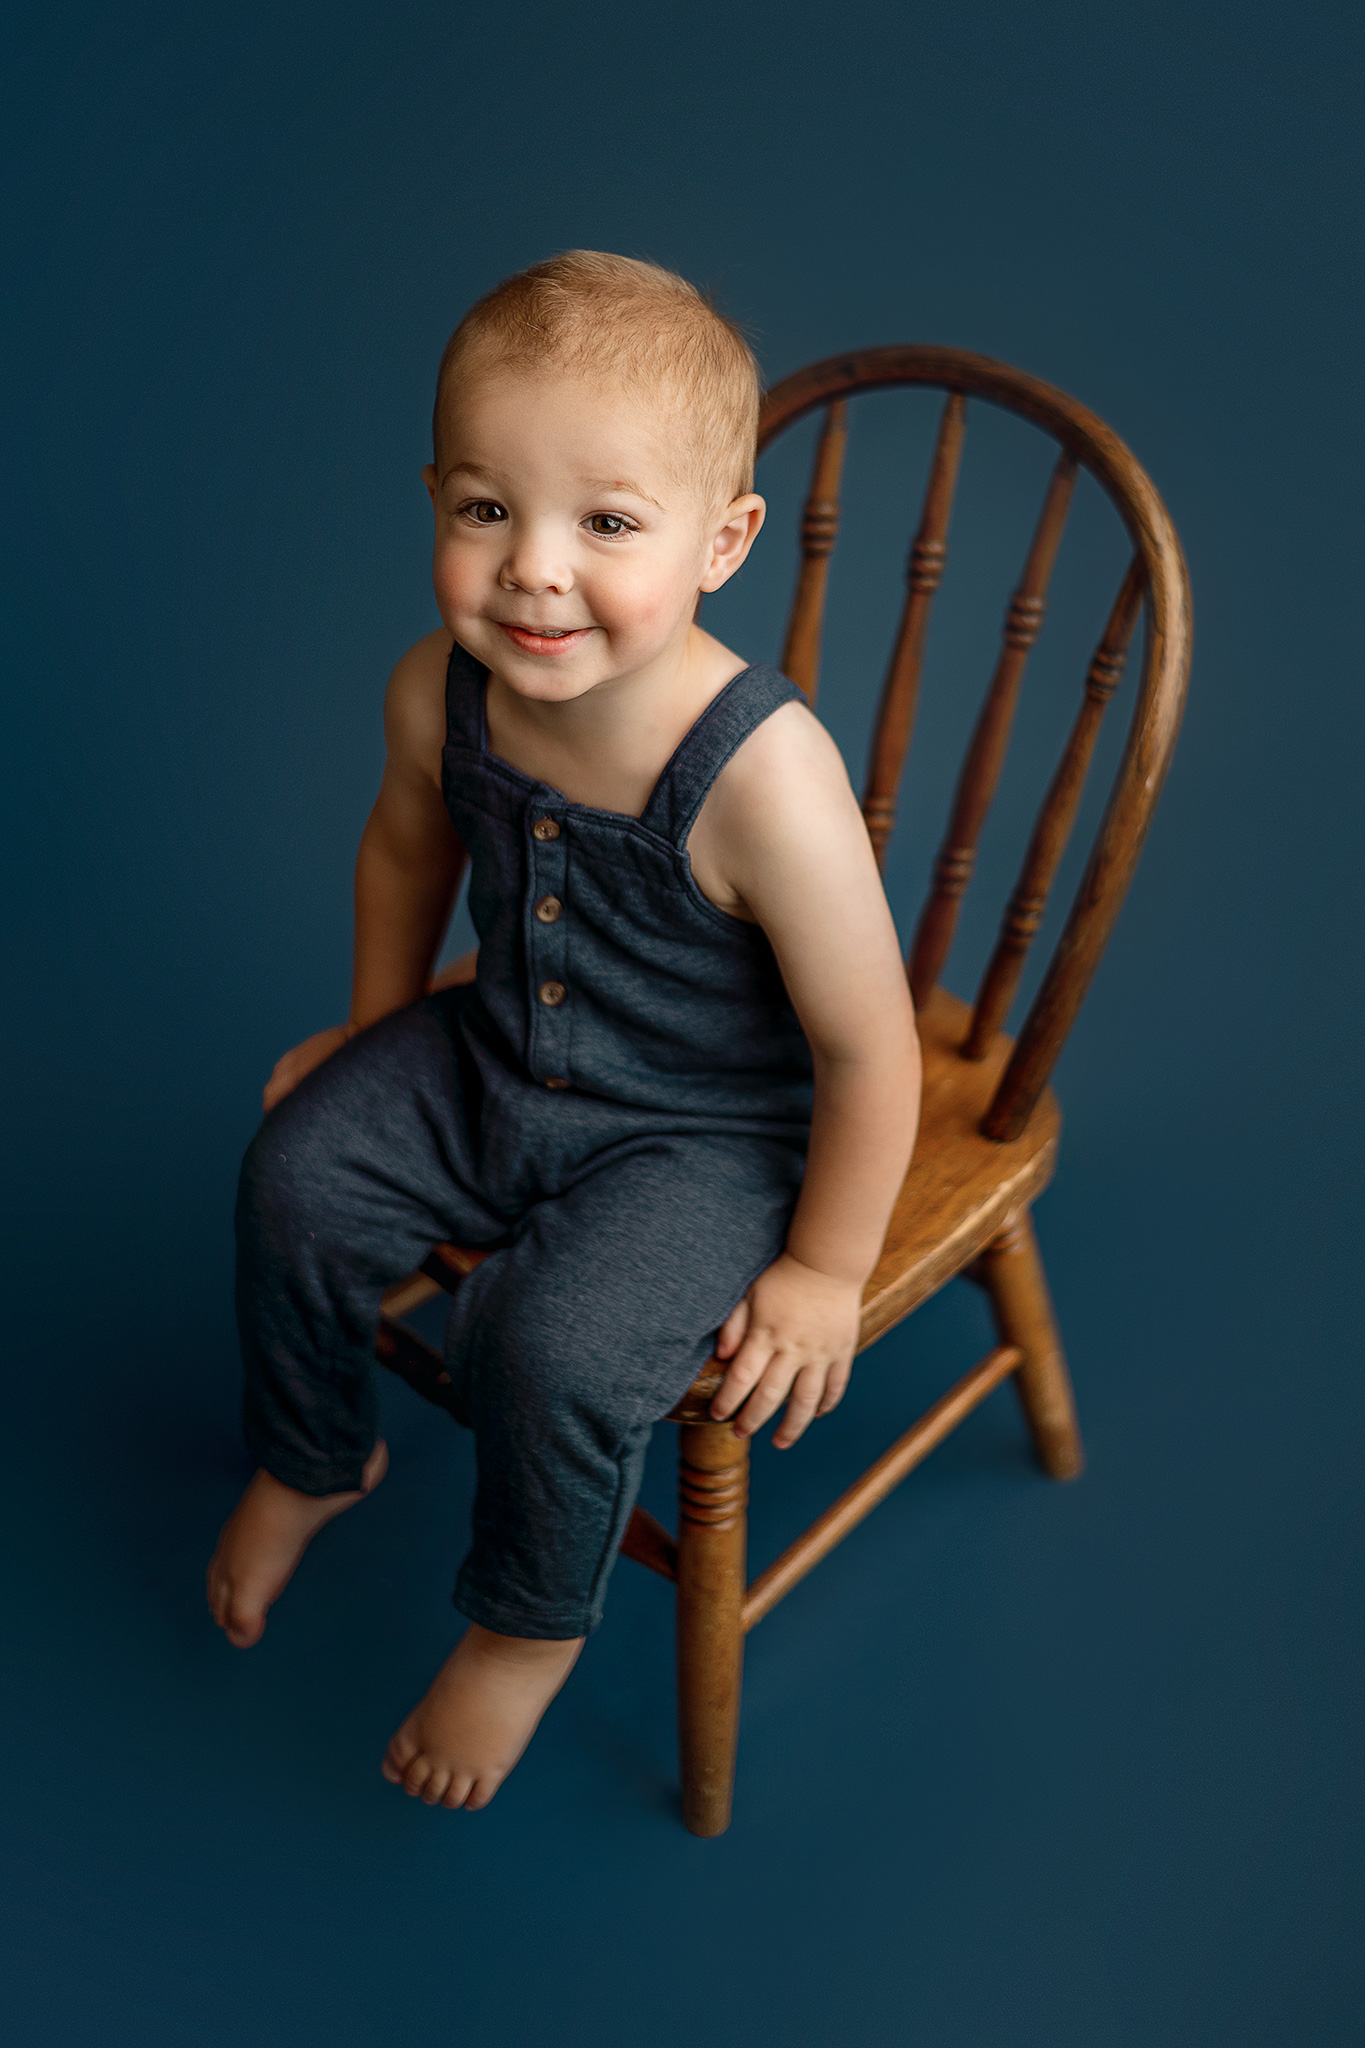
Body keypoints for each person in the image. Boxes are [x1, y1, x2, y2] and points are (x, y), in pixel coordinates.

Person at [206, 251, 921, 1812]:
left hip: (707, 1131)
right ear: (435, 499)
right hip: (494, 1057)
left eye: (605, 524)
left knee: (543, 1347)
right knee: (295, 1175)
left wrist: (822, 1269)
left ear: (724, 539)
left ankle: (525, 1628)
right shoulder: (439, 690)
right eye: (483, 510)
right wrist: (369, 1034)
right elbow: (406, 853)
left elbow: (871, 1047)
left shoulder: (762, 775)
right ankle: (316, 1454)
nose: (532, 569)